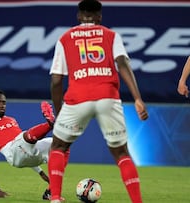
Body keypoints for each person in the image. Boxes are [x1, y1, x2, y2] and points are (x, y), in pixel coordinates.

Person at [47, 0, 149, 202]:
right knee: (121, 152)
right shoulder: (111, 35)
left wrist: (59, 113)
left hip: (77, 98)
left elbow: (56, 80)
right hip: (107, 96)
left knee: (58, 146)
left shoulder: (65, 38)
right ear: (99, 17)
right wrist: (137, 98)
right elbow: (122, 64)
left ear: (78, 16)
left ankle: (56, 198)